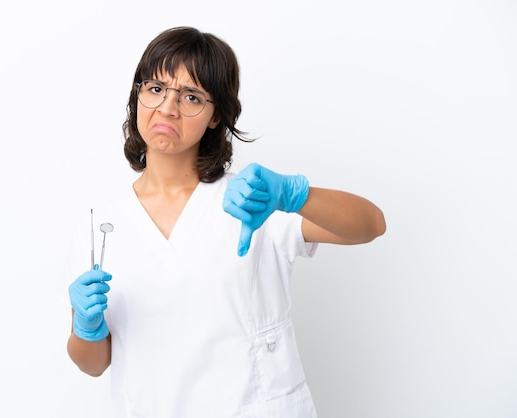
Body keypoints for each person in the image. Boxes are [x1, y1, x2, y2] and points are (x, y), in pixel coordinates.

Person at [66, 26, 386, 418]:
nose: (168, 108)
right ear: (137, 96)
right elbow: (93, 364)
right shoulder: (101, 225)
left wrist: (293, 195)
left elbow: (371, 224)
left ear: (216, 116)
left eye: (191, 97)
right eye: (155, 89)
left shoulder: (253, 200)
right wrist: (87, 325)